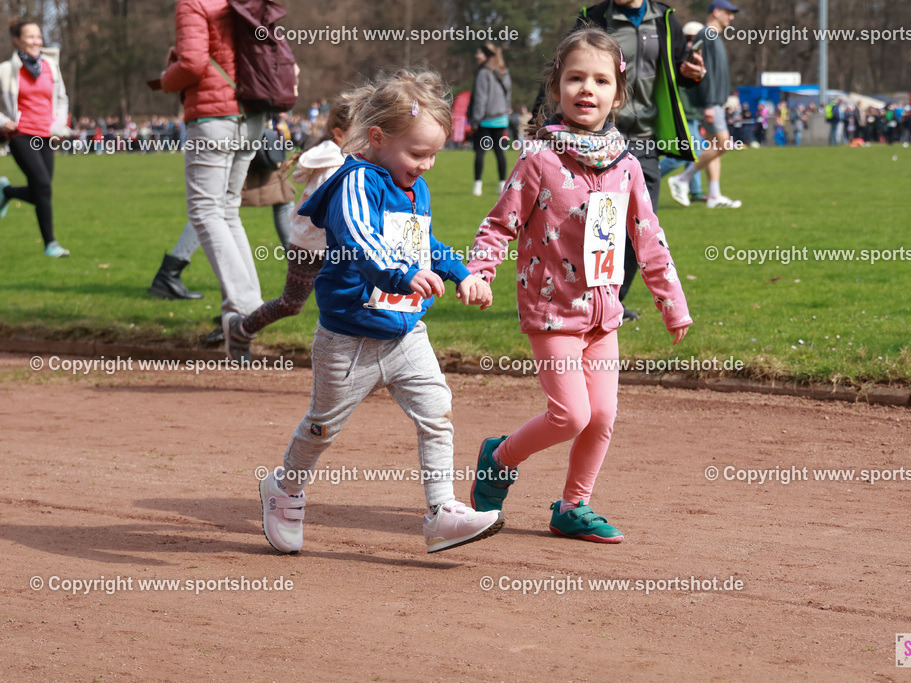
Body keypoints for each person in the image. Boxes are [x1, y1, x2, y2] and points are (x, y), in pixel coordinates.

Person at [258, 69, 504, 555]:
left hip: (405, 332)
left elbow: (422, 241)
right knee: (322, 426)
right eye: (418, 153)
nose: (428, 164)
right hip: (348, 339)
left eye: (434, 154)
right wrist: (399, 274)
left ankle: (441, 512)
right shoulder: (355, 182)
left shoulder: (413, 186)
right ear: (376, 138)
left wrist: (461, 272)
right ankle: (284, 489)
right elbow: (359, 238)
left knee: (437, 412)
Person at [467, 29, 692, 543]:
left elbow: (649, 239)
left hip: (602, 316)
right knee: (571, 414)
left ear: (618, 93)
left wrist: (671, 302)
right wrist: (480, 274)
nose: (586, 89)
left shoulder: (627, 167)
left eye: (600, 80)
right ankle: (498, 459)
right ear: (556, 87)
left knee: (602, 417)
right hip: (551, 313)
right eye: (575, 78)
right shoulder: (538, 161)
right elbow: (498, 225)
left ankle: (573, 507)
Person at [559, 0, 704, 322]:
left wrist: (692, 75)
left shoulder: (664, 19)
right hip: (598, 135)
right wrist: (540, 117)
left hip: (645, 138)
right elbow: (565, 66)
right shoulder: (595, 17)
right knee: (591, 223)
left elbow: (679, 68)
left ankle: (613, 302)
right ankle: (578, 298)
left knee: (638, 227)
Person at [155, 0, 267, 358]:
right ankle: (240, 314)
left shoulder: (195, 3)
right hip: (252, 114)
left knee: (205, 211)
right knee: (227, 211)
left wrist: (165, 78)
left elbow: (192, 63)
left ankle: (247, 305)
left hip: (214, 115)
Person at [223, 93, 354, 360]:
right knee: (291, 304)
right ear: (339, 135)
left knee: (351, 301)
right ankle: (241, 328)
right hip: (309, 246)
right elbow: (332, 212)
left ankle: (353, 362)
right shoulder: (331, 167)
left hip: (338, 248)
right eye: (362, 133)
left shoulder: (354, 162)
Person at [0, 19, 71, 257]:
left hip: (45, 135)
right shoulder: (7, 70)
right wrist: (3, 122)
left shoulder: (50, 65)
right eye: (30, 37)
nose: (36, 41)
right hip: (20, 134)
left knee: (42, 190)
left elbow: (61, 99)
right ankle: (51, 244)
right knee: (41, 185)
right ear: (17, 40)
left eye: (38, 37)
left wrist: (58, 125)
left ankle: (6, 192)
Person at [670, 0, 742, 209]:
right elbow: (702, 72)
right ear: (716, 12)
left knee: (713, 147)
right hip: (711, 103)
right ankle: (682, 179)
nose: (732, 17)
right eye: (729, 13)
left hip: (716, 101)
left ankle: (714, 195)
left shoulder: (714, 37)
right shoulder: (707, 35)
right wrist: (709, 104)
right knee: (723, 143)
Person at [665, 21, 707, 205]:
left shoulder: (693, 54)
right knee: (682, 154)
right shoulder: (686, 55)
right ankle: (642, 178)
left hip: (691, 112)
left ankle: (696, 192)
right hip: (683, 111)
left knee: (695, 153)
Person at [468, 42, 511, 196]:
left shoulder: (483, 73)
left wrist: (475, 121)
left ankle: (477, 186)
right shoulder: (504, 72)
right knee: (500, 153)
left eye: (479, 52)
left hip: (485, 120)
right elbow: (508, 96)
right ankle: (502, 185)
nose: (477, 55)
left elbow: (481, 99)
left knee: (480, 152)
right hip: (501, 119)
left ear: (486, 55)